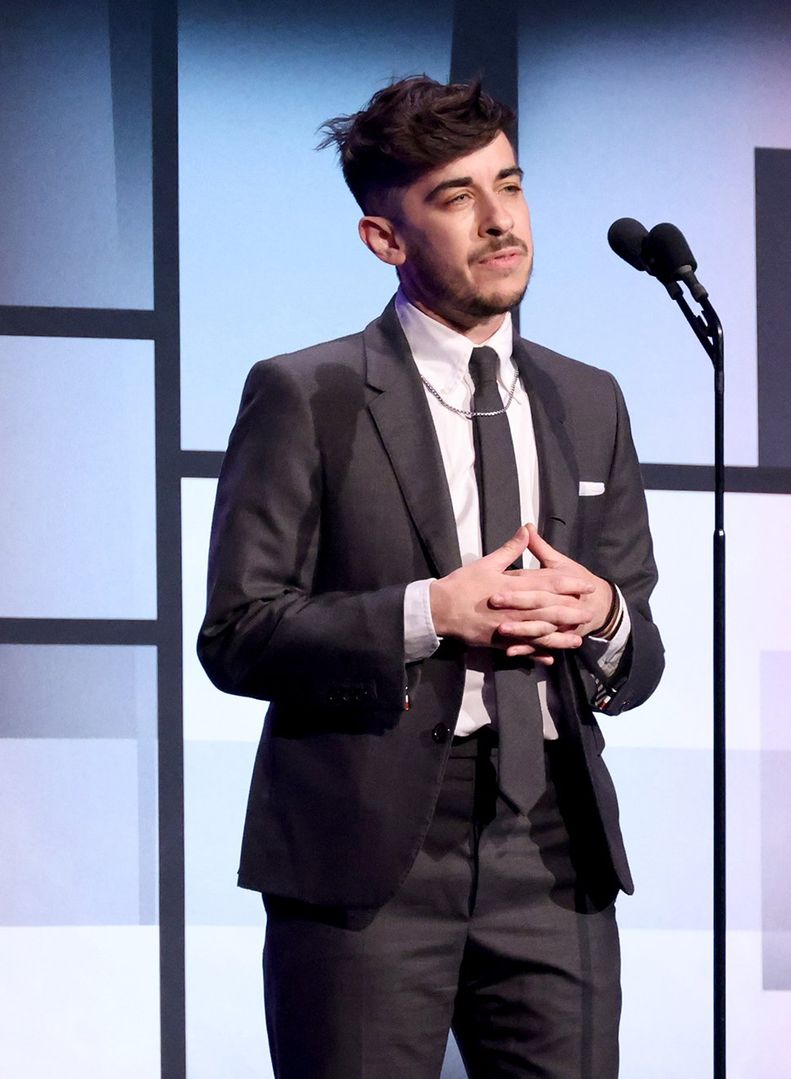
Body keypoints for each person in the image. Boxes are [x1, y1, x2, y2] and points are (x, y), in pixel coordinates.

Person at [198, 75, 665, 1079]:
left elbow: (640, 652)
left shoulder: (590, 400)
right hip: (368, 853)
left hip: (552, 845)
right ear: (384, 238)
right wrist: (429, 612)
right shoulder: (304, 393)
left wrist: (605, 618)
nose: (501, 221)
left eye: (509, 183)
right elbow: (236, 632)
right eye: (455, 198)